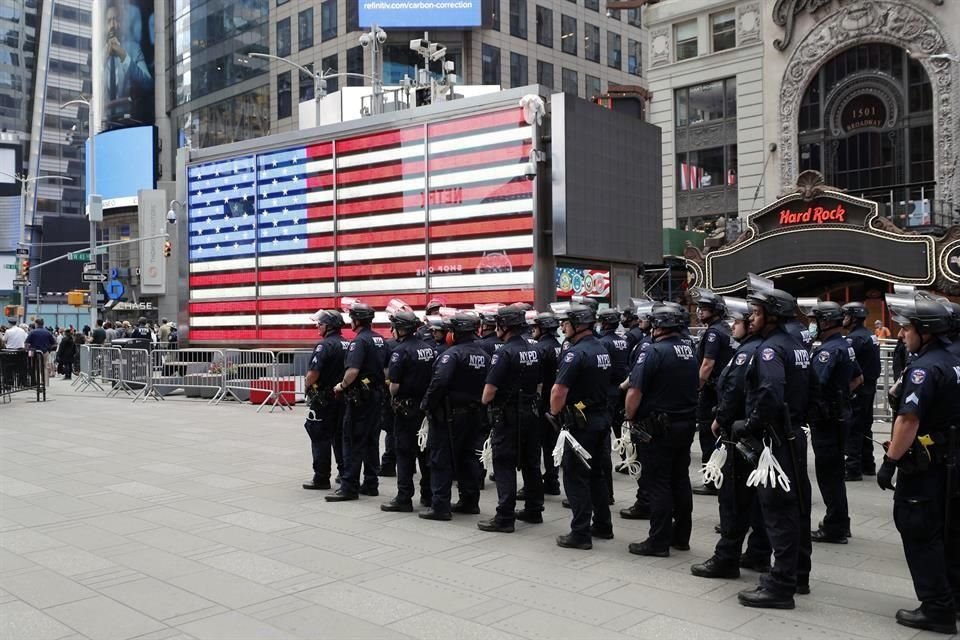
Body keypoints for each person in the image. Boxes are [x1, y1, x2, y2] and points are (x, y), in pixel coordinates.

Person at [879, 292, 959, 635]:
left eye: (907, 328)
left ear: (925, 331)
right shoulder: (954, 360)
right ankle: (952, 598)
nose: (901, 334)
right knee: (950, 531)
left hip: (926, 466)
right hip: (952, 462)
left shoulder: (925, 368)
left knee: (919, 530)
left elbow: (908, 420)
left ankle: (936, 607)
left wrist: (890, 460)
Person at [736, 287, 812, 609]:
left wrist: (750, 423)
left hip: (777, 439)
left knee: (779, 510)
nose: (751, 318)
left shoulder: (770, 350)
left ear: (772, 315)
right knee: (797, 508)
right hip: (794, 433)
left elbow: (770, 391)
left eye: (756, 313)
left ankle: (780, 585)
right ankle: (798, 574)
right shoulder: (798, 346)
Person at [691, 297, 771, 580]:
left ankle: (727, 558)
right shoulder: (767, 347)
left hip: (739, 434)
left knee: (733, 499)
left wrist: (720, 420)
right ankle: (759, 553)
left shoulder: (746, 352)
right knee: (760, 498)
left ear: (750, 325)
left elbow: (733, 391)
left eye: (737, 322)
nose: (732, 327)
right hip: (763, 436)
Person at [624, 304, 699, 557]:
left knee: (658, 483)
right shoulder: (689, 350)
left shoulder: (653, 351)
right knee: (680, 479)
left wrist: (629, 417)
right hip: (685, 424)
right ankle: (681, 536)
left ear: (659, 326)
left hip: (658, 428)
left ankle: (658, 541)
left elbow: (634, 391)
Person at [550, 304, 613, 550]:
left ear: (577, 325)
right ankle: (603, 525)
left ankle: (580, 533)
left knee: (576, 477)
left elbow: (559, 391)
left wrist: (554, 414)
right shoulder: (601, 349)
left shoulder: (574, 353)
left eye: (565, 323)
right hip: (599, 418)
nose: (562, 327)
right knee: (597, 474)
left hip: (580, 423)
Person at [479, 306, 543, 533]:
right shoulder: (533, 349)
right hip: (530, 412)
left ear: (504, 326)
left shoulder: (504, 352)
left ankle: (505, 517)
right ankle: (534, 509)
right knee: (531, 462)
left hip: (507, 416)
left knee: (504, 464)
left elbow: (488, 393)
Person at [419, 313, 488, 521]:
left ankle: (440, 506)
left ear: (454, 333)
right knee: (469, 458)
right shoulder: (484, 355)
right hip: (475, 415)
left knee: (441, 458)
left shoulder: (451, 355)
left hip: (450, 417)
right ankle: (469, 501)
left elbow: (438, 383)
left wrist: (426, 405)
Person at [807, 301, 863, 544]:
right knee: (836, 474)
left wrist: (826, 402)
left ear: (826, 322)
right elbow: (858, 378)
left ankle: (835, 526)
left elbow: (814, 386)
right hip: (840, 416)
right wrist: (839, 397)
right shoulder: (845, 346)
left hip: (827, 421)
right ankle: (841, 521)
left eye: (815, 320)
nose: (812, 325)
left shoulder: (828, 351)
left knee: (828, 475)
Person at [326, 303, 387, 502]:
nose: (350, 322)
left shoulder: (359, 342)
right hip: (376, 396)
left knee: (351, 440)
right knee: (371, 440)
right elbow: (387, 368)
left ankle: (348, 487)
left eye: (352, 318)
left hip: (360, 399)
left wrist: (341, 386)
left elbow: (352, 371)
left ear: (358, 320)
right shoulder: (380, 339)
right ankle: (371, 484)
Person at [381, 311, 435, 512]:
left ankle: (404, 497)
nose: (391, 331)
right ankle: (428, 495)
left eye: (393, 327)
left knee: (404, 453)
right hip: (424, 408)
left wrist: (392, 394)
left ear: (401, 329)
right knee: (425, 452)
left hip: (406, 409)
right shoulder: (429, 349)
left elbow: (394, 385)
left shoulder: (400, 351)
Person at [691, 288, 735, 496]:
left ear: (716, 311)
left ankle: (711, 478)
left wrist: (696, 387)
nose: (700, 312)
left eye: (705, 308)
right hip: (722, 389)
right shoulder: (726, 329)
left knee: (709, 432)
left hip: (712, 390)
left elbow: (707, 364)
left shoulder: (713, 333)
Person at [302, 310, 347, 491]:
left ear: (329, 326)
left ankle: (321, 477)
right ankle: (344, 475)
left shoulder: (324, 346)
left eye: (319, 324)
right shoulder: (348, 343)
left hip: (323, 400)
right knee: (340, 437)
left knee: (319, 437)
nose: (317, 327)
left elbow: (313, 374)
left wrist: (306, 385)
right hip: (342, 398)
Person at [843, 301, 882, 480]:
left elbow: (849, 365)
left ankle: (853, 468)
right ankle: (868, 464)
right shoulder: (868, 335)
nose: (843, 319)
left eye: (846, 315)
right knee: (865, 426)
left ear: (853, 318)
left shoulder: (854, 339)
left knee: (854, 428)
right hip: (869, 386)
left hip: (859, 387)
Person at [597, 308, 630, 498]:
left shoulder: (603, 343)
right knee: (620, 428)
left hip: (608, 391)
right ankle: (626, 459)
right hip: (622, 389)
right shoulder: (622, 341)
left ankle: (606, 491)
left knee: (605, 436)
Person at [529, 312, 562, 496]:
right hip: (555, 401)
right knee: (551, 443)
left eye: (535, 327)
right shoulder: (559, 346)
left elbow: (535, 378)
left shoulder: (540, 349)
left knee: (537, 444)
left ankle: (540, 483)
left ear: (542, 329)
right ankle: (552, 479)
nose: (532, 330)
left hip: (542, 402)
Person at [104, 0, 152, 110]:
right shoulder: (101, 56)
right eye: (109, 21)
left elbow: (148, 83)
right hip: (103, 123)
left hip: (127, 119)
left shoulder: (133, 49)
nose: (112, 25)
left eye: (116, 20)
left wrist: (123, 55)